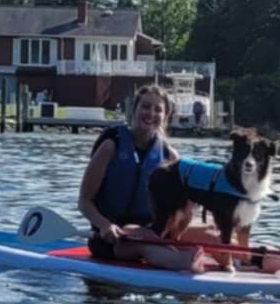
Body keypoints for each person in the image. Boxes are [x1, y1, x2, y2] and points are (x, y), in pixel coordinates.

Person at [78, 84, 208, 272]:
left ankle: (256, 260)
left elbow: (182, 207)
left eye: (158, 109)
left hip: (152, 232)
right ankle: (186, 265)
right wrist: (105, 225)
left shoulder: (169, 156)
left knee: (210, 231)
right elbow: (84, 202)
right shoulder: (110, 145)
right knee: (141, 239)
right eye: (145, 106)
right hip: (113, 239)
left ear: (165, 117)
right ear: (135, 109)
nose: (151, 113)